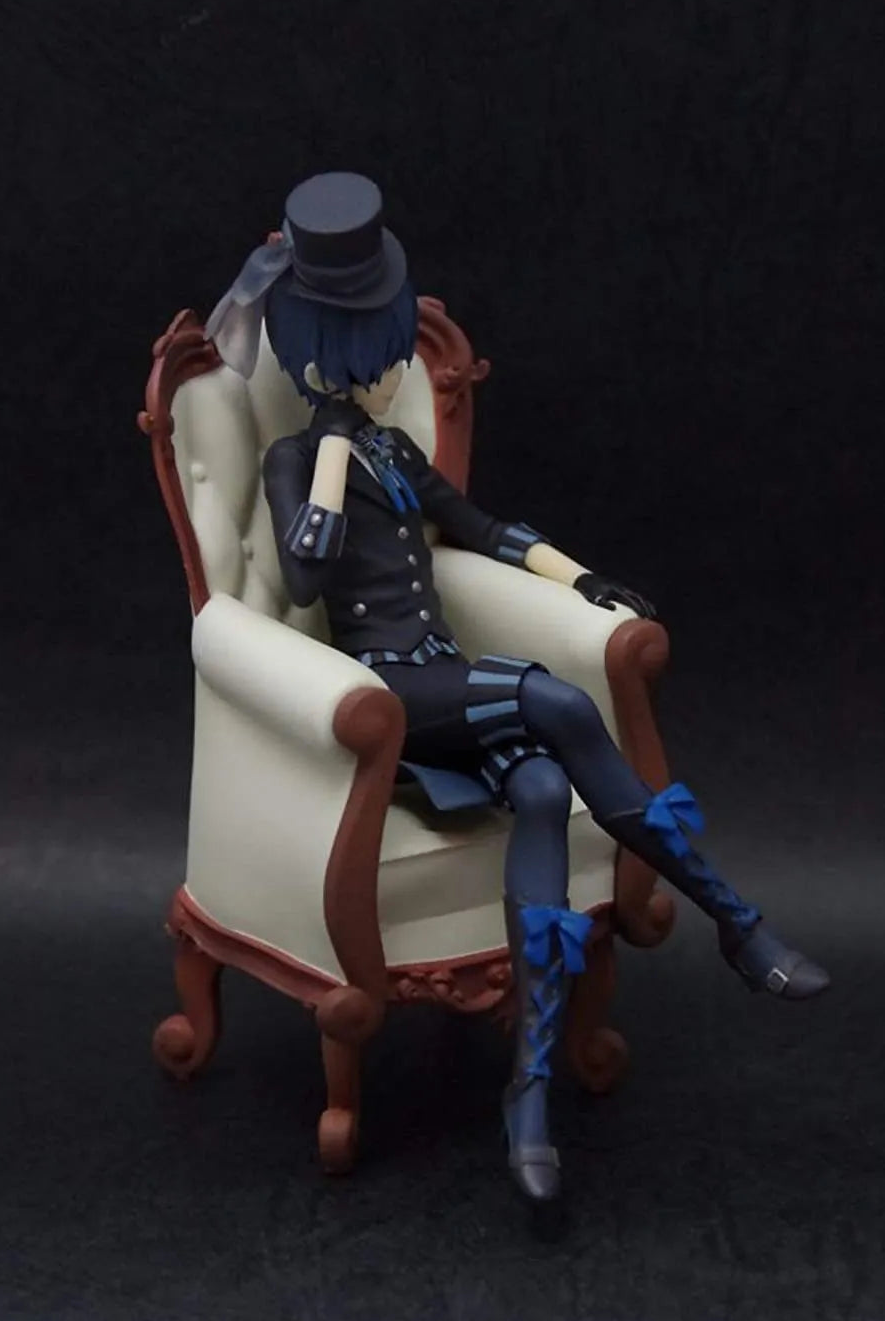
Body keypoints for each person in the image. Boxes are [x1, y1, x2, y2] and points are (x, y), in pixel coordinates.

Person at [205, 172, 829, 1204]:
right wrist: (328, 459)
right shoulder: (292, 461)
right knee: (561, 704)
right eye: (375, 354)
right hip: (391, 697)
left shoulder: (398, 451)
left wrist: (581, 580)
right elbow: (306, 579)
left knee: (542, 787)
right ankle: (732, 916)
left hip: (451, 683)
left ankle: (527, 1096)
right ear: (330, 359)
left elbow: (483, 530)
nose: (392, 371)